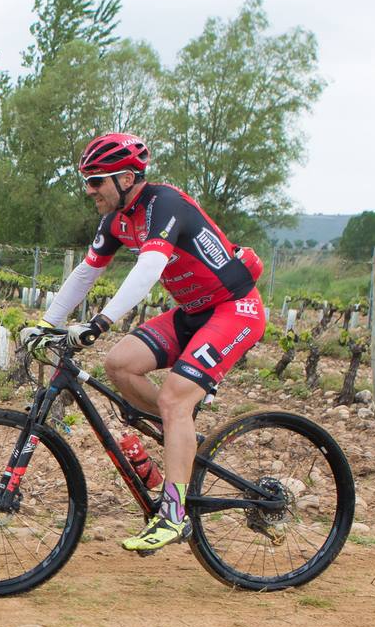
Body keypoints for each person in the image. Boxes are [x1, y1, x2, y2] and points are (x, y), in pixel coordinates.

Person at [24, 132, 265, 553]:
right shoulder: (116, 219)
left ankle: (173, 514)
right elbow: (86, 272)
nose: (89, 190)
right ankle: (179, 429)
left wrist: (100, 321)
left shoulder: (163, 204)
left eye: (96, 181)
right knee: (119, 364)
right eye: (87, 180)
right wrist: (48, 322)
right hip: (193, 312)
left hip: (233, 309)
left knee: (173, 401)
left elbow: (150, 266)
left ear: (125, 177)